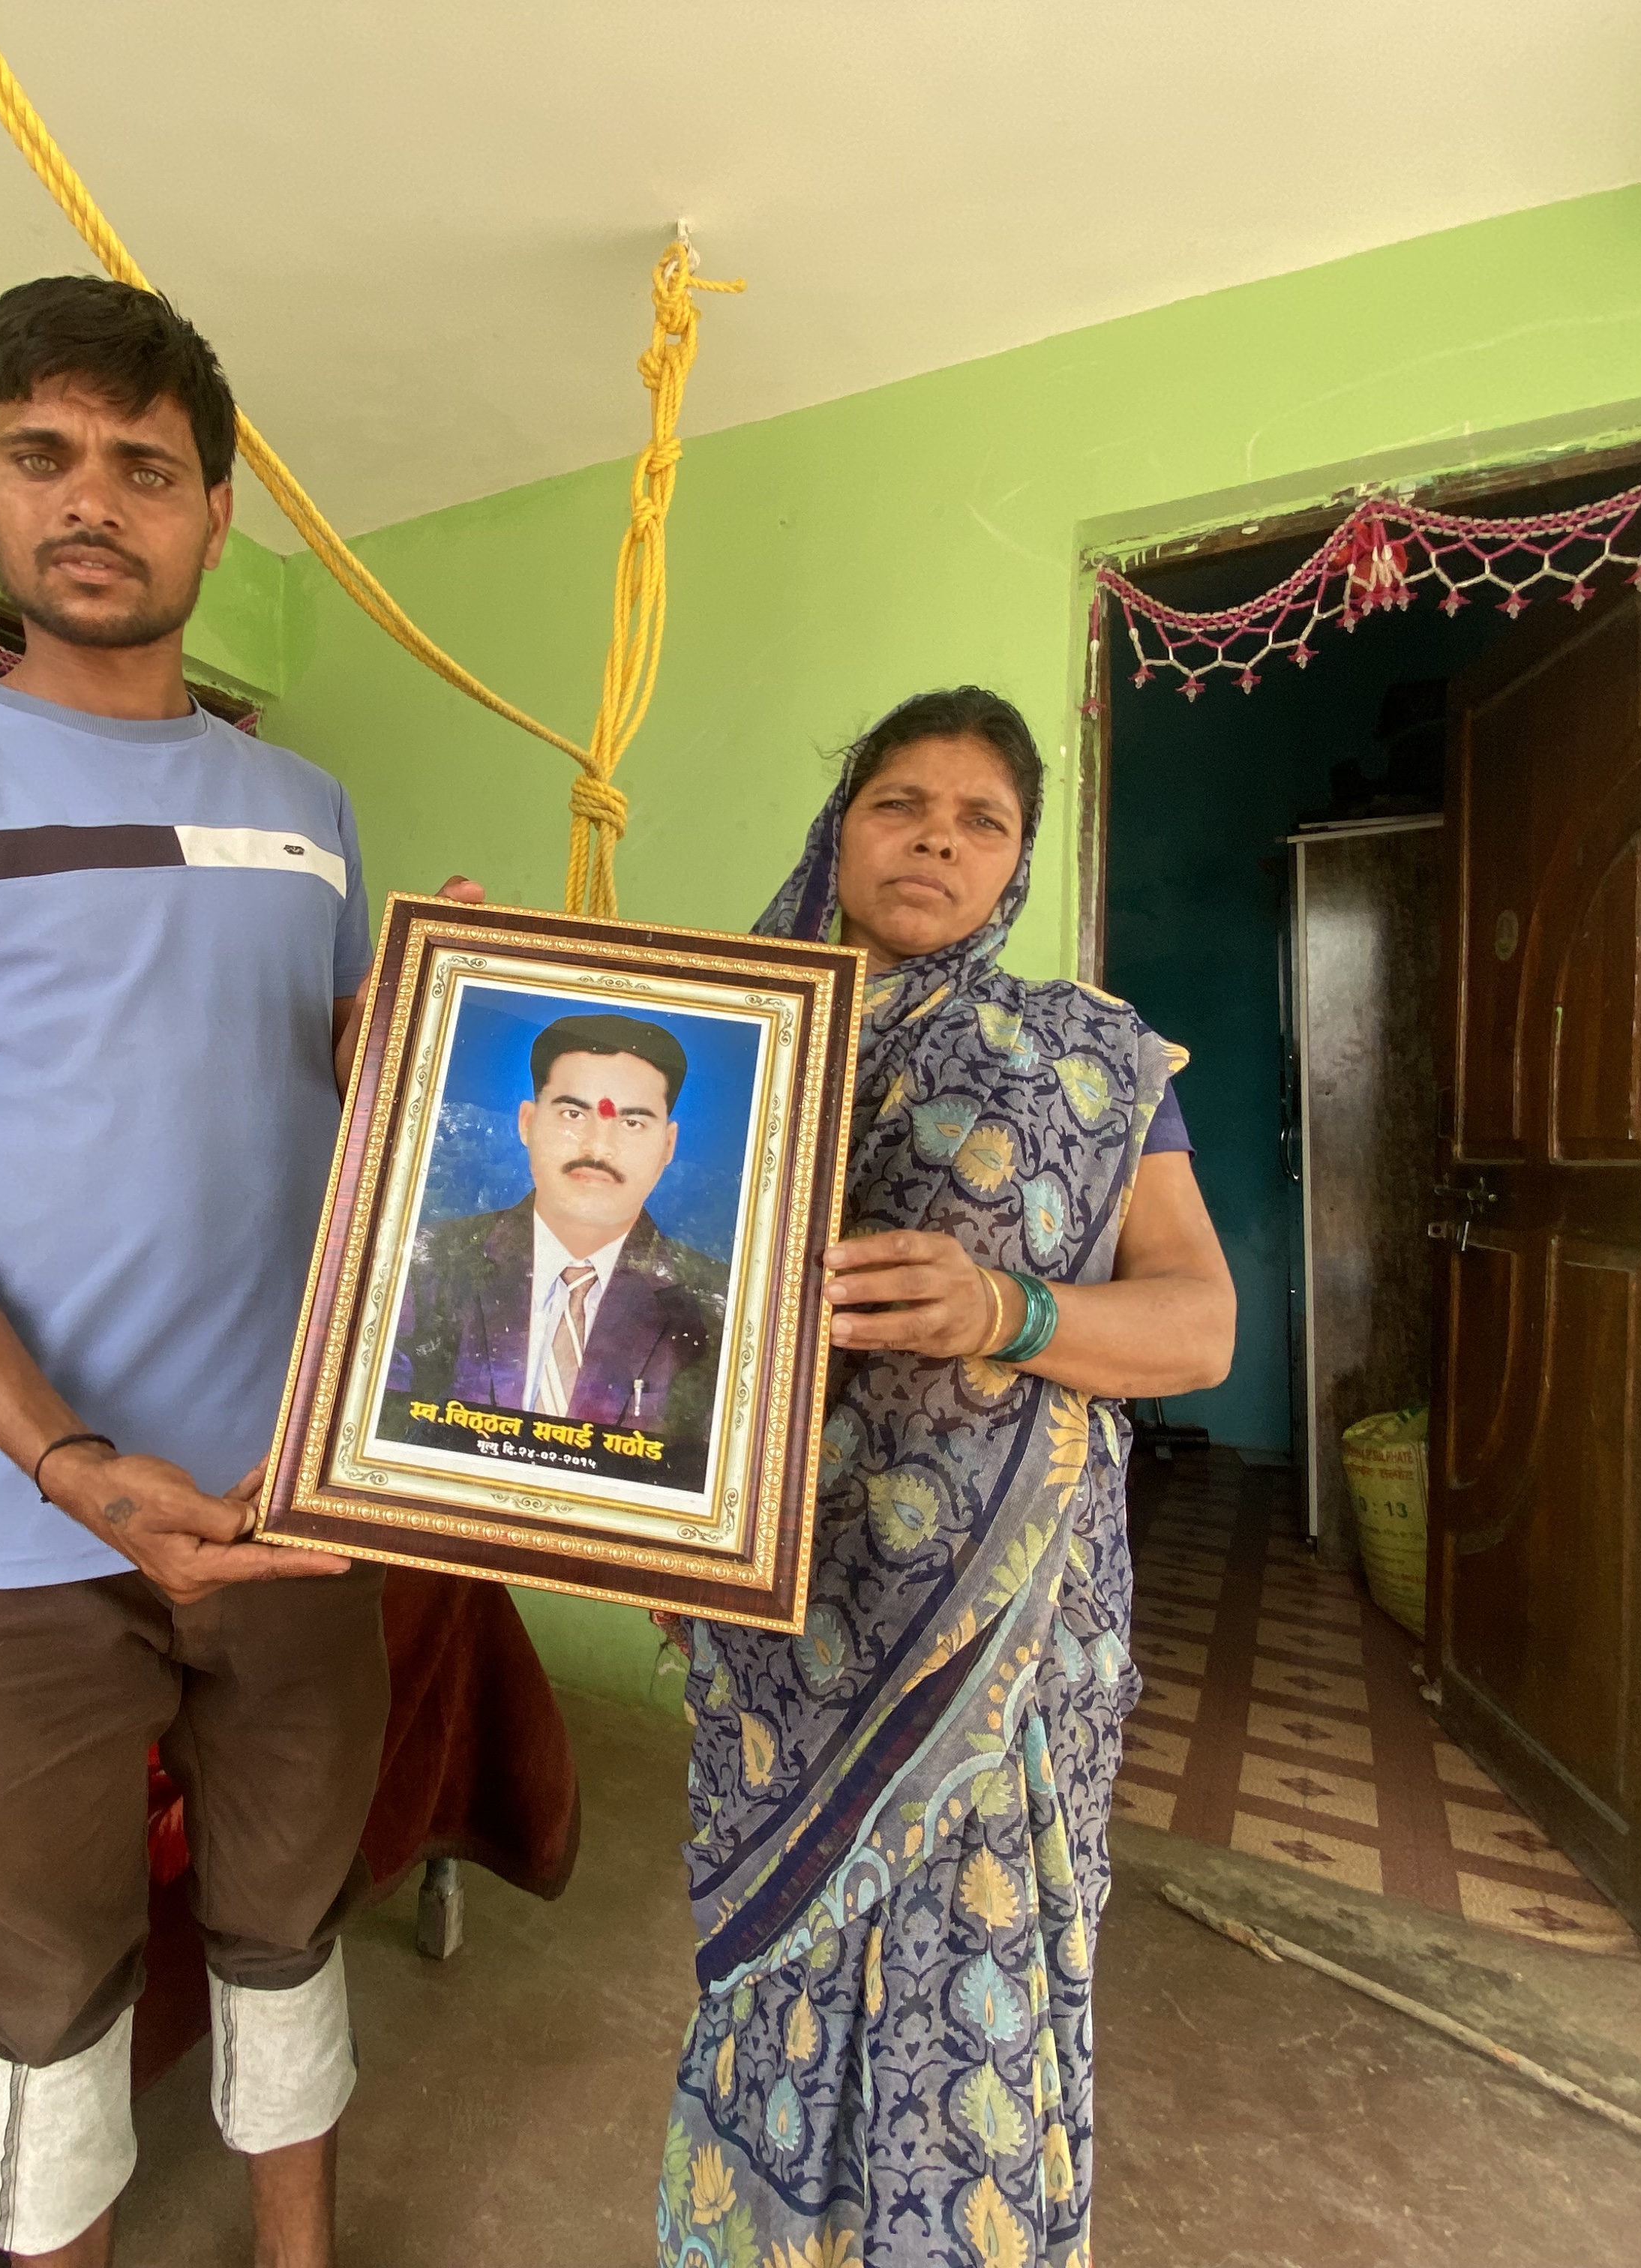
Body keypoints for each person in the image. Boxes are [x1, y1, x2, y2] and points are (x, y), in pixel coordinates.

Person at [0, 274, 472, 2268]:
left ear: (215, 513)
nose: (97, 500)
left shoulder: (311, 808)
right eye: (48, 456)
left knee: (285, 1910)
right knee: (49, 1977)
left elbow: (344, 1106)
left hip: (296, 1504)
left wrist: (433, 1037)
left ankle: (297, 2249)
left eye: (146, 467)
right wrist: (74, 1463)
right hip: (31, 1520)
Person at [655, 688, 1235, 2268]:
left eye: (983, 819)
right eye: (900, 800)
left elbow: (1198, 1327)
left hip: (1003, 1657)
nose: (936, 835)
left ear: (1020, 867)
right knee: (776, 1990)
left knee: (974, 2032)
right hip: (784, 1635)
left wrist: (1013, 1310)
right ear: (838, 831)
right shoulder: (714, 1047)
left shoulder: (1094, 1062)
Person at [380, 1012, 727, 1486]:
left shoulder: (718, 1307)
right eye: (572, 1113)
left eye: (632, 1122)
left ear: (668, 1146)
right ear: (527, 1122)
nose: (597, 1145)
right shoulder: (423, 1266)